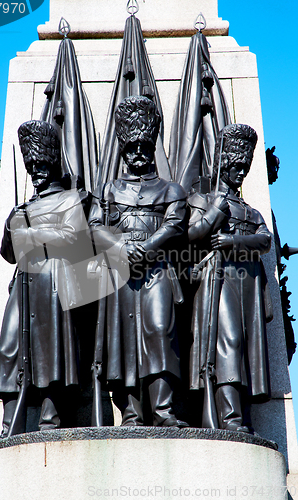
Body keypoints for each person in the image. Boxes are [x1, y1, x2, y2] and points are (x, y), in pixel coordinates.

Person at [88, 96, 188, 427]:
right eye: (131, 148)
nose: (138, 154)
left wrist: (144, 248)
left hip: (158, 270)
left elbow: (175, 225)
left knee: (160, 331)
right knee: (123, 340)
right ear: (122, 148)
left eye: (145, 147)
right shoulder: (110, 189)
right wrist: (120, 246)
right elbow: (93, 227)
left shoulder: (171, 189)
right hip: (119, 272)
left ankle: (163, 411)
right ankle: (130, 414)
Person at [0, 120, 90, 436]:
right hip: (22, 284)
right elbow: (7, 252)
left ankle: (51, 419)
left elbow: (74, 236)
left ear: (51, 164)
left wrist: (32, 231)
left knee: (51, 350)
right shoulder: (22, 207)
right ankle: (10, 424)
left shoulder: (69, 200)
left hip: (52, 282)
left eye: (41, 165)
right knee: (9, 349)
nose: (36, 171)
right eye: (31, 165)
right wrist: (13, 222)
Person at [187, 123, 272, 433]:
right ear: (223, 164)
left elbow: (265, 240)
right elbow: (190, 238)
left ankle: (242, 418)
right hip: (217, 282)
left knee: (246, 350)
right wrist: (215, 213)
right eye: (235, 166)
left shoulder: (252, 212)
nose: (240, 173)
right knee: (228, 343)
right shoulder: (202, 202)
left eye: (244, 168)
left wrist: (233, 242)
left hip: (247, 284)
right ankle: (230, 417)